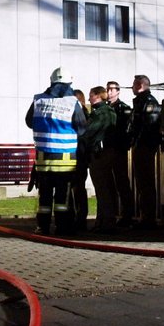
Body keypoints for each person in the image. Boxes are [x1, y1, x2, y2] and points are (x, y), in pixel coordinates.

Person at [25, 67, 86, 236]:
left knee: (44, 195)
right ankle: (62, 227)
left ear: (51, 81)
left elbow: (29, 122)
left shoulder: (38, 100)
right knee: (62, 197)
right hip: (65, 159)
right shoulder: (72, 102)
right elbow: (81, 128)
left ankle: (42, 227)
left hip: (43, 158)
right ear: (68, 83)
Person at [129, 74, 162, 228]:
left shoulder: (149, 103)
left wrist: (138, 143)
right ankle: (145, 217)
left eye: (135, 84)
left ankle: (148, 218)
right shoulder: (141, 102)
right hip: (141, 146)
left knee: (146, 183)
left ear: (141, 85)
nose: (132, 87)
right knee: (142, 183)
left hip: (145, 147)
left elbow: (149, 127)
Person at [84, 86, 118, 233]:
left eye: (91, 95)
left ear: (98, 96)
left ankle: (105, 222)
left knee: (102, 189)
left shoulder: (99, 113)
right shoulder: (110, 111)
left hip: (99, 154)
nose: (89, 98)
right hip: (108, 152)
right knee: (107, 188)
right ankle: (105, 220)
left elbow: (87, 132)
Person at [105, 80, 134, 226]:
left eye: (112, 89)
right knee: (109, 184)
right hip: (106, 150)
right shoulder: (104, 108)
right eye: (107, 89)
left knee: (122, 182)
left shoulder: (124, 109)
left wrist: (123, 146)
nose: (109, 92)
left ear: (118, 91)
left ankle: (127, 215)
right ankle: (112, 214)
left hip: (118, 150)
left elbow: (126, 130)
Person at [72, 89, 90, 231]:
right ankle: (77, 218)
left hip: (79, 156)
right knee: (76, 188)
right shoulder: (82, 114)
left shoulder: (82, 115)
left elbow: (82, 137)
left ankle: (80, 218)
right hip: (77, 157)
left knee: (78, 188)